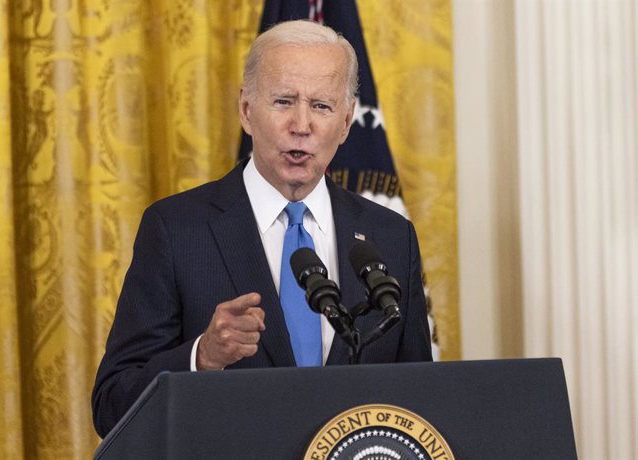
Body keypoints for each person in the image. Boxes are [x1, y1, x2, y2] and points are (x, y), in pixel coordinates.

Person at [91, 19, 432, 438]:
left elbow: (419, 404)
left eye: (322, 106)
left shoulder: (391, 237)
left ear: (345, 125)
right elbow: (112, 406)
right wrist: (203, 356)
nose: (301, 124)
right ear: (247, 111)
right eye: (284, 101)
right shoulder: (177, 230)